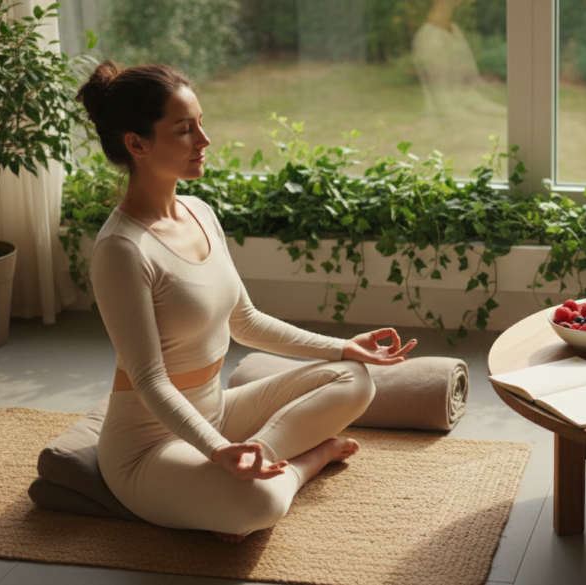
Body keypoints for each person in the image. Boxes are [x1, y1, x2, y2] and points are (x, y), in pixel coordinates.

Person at [76, 60, 417, 543]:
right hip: (148, 447)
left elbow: (246, 320)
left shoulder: (200, 212)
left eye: (200, 123)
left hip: (216, 411)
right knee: (256, 505)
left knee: (355, 380)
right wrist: (217, 450)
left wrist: (343, 347)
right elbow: (150, 381)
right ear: (137, 144)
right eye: (184, 129)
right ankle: (304, 462)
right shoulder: (121, 250)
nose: (204, 140)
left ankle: (252, 460)